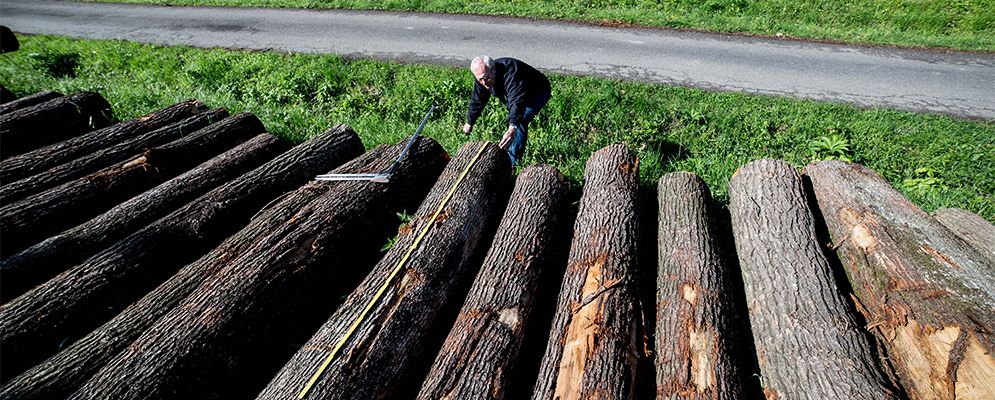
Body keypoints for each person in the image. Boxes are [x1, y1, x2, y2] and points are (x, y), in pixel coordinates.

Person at [462, 56, 551, 165]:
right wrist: (469, 122)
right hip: (516, 94)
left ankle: (512, 163)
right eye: (479, 80)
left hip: (538, 91)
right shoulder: (483, 77)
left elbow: (516, 101)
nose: (484, 82)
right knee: (513, 118)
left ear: (493, 70)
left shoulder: (512, 73)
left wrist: (512, 127)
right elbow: (477, 99)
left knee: (520, 120)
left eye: (486, 78)